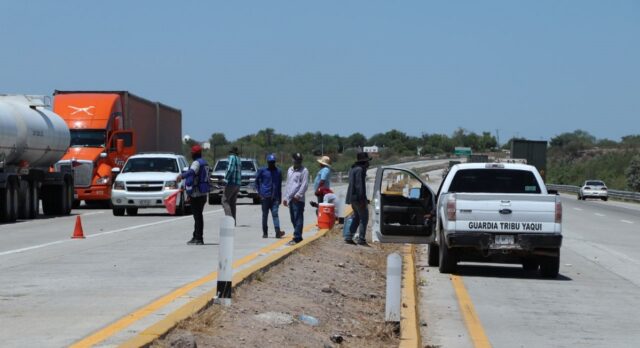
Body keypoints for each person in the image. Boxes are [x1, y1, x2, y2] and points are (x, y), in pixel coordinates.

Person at [177, 145, 211, 245]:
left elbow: (191, 172)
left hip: (196, 194)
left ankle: (199, 238)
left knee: (198, 217)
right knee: (198, 217)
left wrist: (181, 176)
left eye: (192, 153)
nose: (191, 154)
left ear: (195, 153)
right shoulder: (205, 162)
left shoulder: (196, 163)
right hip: (203, 193)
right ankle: (195, 236)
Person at [255, 153, 285, 239]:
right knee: (265, 215)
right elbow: (256, 181)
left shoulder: (278, 171)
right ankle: (265, 232)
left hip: (275, 197)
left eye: (273, 162)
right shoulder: (262, 170)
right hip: (265, 196)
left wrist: (280, 198)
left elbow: (279, 185)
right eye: (270, 162)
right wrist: (259, 193)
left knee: (275, 214)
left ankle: (277, 232)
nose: (272, 164)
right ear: (267, 162)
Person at [345, 152, 371, 246]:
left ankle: (349, 236)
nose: (368, 164)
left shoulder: (353, 169)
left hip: (352, 197)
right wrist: (362, 200)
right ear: (364, 162)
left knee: (357, 217)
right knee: (364, 218)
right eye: (367, 161)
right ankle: (361, 239)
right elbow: (360, 186)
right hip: (358, 198)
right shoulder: (360, 170)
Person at [283, 152, 309, 245]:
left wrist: (298, 196)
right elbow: (288, 184)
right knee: (293, 218)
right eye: (296, 160)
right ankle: (298, 236)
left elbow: (304, 185)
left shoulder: (304, 171)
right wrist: (285, 197)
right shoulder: (290, 170)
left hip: (298, 199)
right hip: (290, 198)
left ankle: (297, 237)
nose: (298, 162)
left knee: (298, 218)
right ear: (293, 160)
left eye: (300, 160)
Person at [223, 146, 241, 223]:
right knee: (232, 203)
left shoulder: (232, 157)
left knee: (224, 201)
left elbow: (230, 169)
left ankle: (230, 221)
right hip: (237, 183)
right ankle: (233, 221)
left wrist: (225, 178)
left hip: (231, 183)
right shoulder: (238, 159)